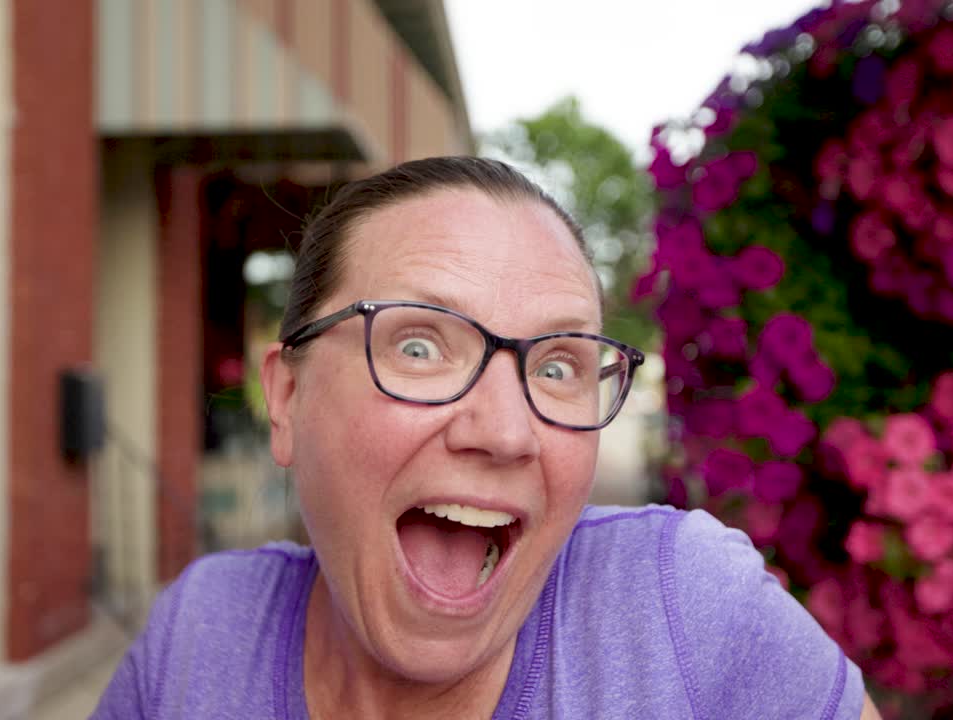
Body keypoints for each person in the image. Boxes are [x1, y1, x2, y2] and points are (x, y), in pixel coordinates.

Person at [92, 156, 880, 719]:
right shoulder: (201, 635)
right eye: (419, 347)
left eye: (560, 365)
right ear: (289, 397)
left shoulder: (686, 610)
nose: (507, 432)